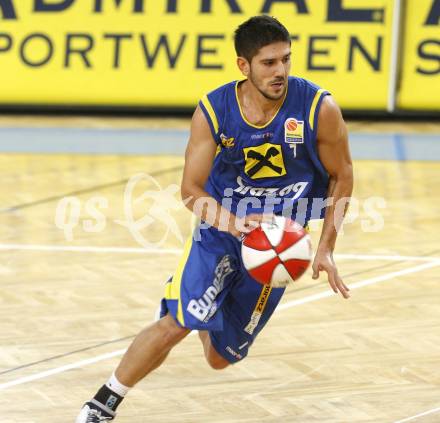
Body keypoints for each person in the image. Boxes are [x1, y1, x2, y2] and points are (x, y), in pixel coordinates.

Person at [76, 15, 353, 422]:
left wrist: (326, 246)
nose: (280, 72)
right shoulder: (214, 111)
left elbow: (342, 174)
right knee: (179, 322)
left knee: (221, 359)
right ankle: (102, 404)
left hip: (278, 246)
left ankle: (196, 305)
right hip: (220, 230)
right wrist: (231, 222)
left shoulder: (318, 108)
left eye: (286, 60)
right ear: (244, 66)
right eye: (269, 63)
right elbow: (191, 189)